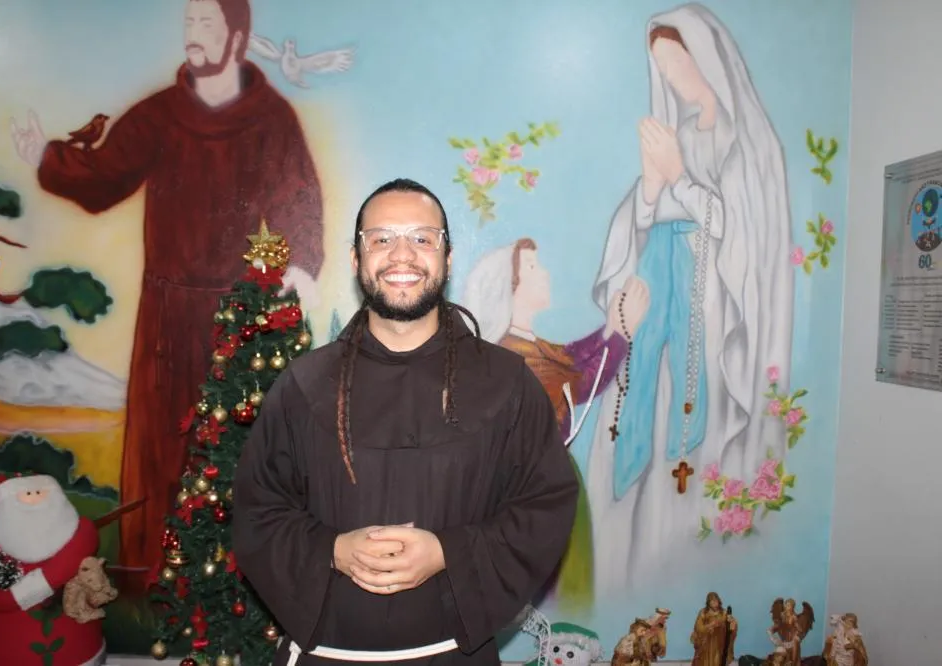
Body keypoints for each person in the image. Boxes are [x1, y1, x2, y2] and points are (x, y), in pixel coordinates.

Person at [9, 0, 325, 573]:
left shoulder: (271, 119)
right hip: (166, 309)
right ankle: (149, 576)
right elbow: (106, 174)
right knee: (159, 448)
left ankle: (232, 585)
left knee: (235, 447)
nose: (193, 36)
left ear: (236, 38)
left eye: (206, 25)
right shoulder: (160, 114)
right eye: (189, 25)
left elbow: (298, 197)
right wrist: (48, 159)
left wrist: (300, 266)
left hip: (238, 314)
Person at [232, 178, 579, 665]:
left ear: (447, 258)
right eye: (381, 238)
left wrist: (448, 553)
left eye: (421, 238)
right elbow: (258, 513)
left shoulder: (507, 383)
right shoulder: (303, 385)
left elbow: (544, 508)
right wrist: (333, 550)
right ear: (356, 259)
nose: (402, 255)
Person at [586, 3, 795, 593]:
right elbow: (638, 219)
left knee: (694, 424)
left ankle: (685, 545)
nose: (673, 78)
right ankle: (638, 540)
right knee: (646, 408)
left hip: (712, 306)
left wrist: (678, 177)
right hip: (660, 289)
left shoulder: (747, 142)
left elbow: (741, 231)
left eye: (678, 62)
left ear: (707, 58)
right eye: (662, 68)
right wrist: (652, 191)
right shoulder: (671, 134)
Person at [460, 238, 649, 616]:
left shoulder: (529, 346)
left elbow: (568, 359)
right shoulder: (512, 355)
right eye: (533, 268)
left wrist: (611, 330)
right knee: (558, 584)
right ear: (510, 288)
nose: (544, 273)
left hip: (552, 475)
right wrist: (620, 334)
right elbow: (577, 382)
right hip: (538, 486)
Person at [0, 474, 105, 666]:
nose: (36, 498)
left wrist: (37, 585)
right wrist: (33, 590)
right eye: (27, 494)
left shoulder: (80, 534)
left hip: (78, 652)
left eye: (39, 492)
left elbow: (84, 540)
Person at [690, 592, 737, 666]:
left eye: (716, 600)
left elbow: (732, 625)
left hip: (719, 643)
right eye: (712, 600)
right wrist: (709, 626)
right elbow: (698, 627)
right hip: (706, 644)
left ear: (719, 601)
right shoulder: (703, 613)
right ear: (708, 602)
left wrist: (732, 622)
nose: (714, 602)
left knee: (718, 660)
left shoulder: (724, 613)